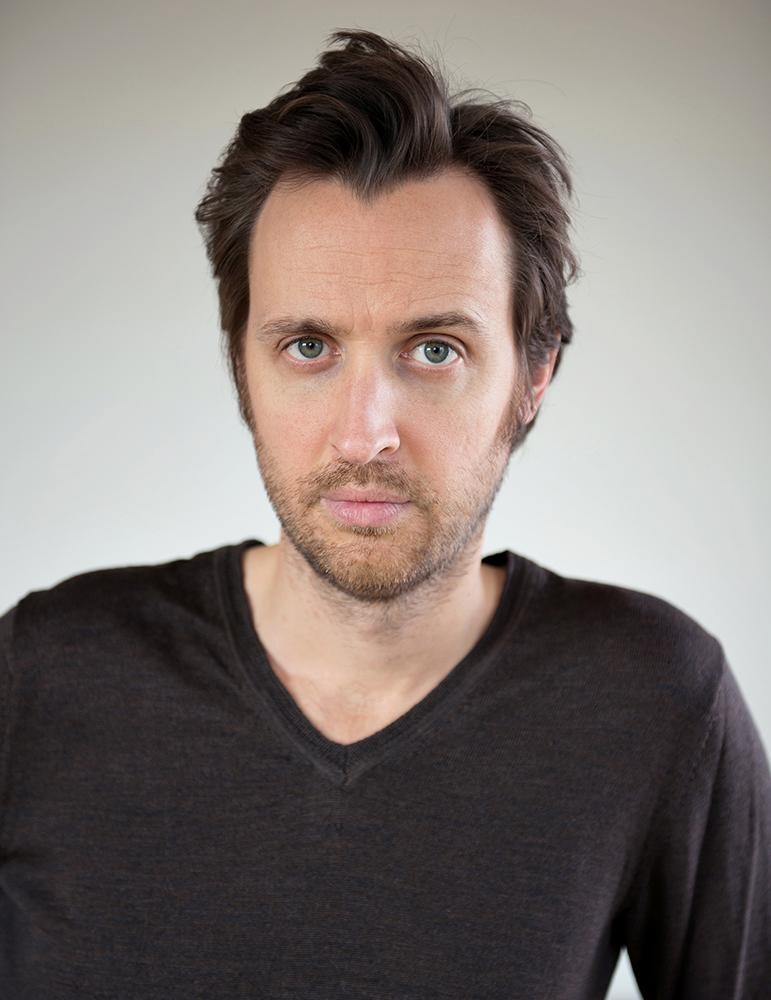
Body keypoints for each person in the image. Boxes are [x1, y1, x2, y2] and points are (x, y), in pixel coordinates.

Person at [1, 28, 769, 1000]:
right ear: (242, 367)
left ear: (534, 375)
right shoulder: (45, 675)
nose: (364, 434)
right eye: (309, 346)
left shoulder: (653, 698)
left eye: (435, 350)